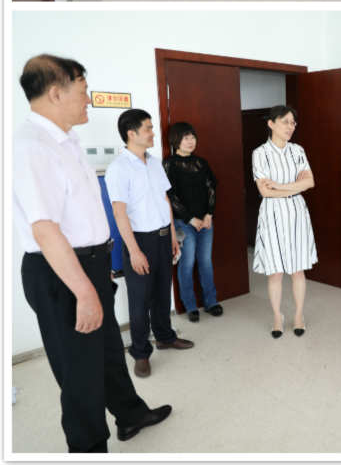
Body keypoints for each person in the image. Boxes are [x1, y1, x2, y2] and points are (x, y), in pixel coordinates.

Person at [14, 55, 172, 452]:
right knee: (79, 374)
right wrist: (84, 292)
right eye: (84, 92)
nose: (89, 100)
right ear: (56, 93)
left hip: (90, 264)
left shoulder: (66, 141)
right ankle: (88, 449)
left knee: (108, 354)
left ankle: (130, 415)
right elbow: (45, 229)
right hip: (63, 274)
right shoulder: (33, 147)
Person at [105, 109, 194, 379]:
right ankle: (141, 352)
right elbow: (119, 213)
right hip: (139, 240)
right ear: (131, 133)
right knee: (140, 300)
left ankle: (165, 336)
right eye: (148, 128)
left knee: (162, 292)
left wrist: (172, 236)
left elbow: (164, 200)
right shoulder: (118, 168)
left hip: (163, 236)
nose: (153, 133)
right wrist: (134, 251)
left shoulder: (154, 163)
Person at [252, 105, 317, 337]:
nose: (291, 127)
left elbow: (310, 182)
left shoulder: (298, 150)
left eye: (293, 123)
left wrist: (279, 185)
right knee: (275, 272)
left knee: (298, 269)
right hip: (272, 213)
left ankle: (298, 315)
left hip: (296, 212)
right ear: (271, 124)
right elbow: (264, 191)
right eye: (285, 122)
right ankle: (277, 317)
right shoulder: (260, 153)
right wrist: (294, 186)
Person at [163, 122, 223, 323]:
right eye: (185, 138)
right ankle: (190, 305)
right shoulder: (169, 164)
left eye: (192, 137)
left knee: (206, 261)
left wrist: (209, 214)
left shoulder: (201, 162)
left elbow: (211, 188)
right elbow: (170, 196)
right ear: (176, 140)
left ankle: (211, 301)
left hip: (205, 221)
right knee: (187, 263)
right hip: (183, 222)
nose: (190, 141)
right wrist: (190, 218)